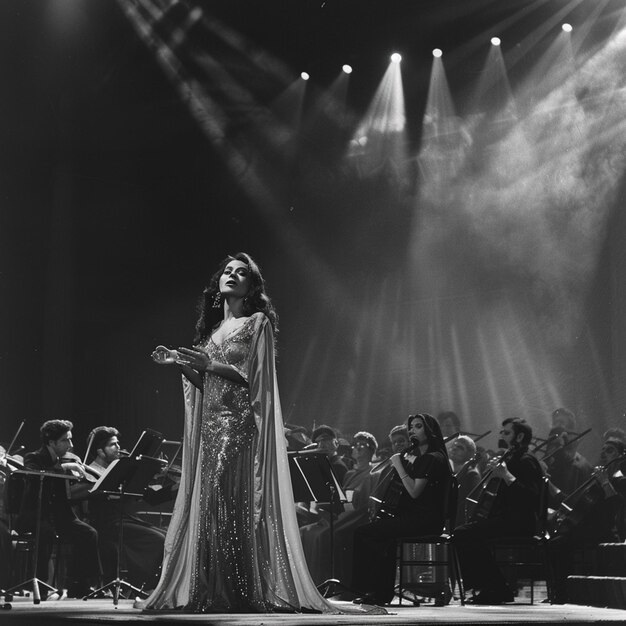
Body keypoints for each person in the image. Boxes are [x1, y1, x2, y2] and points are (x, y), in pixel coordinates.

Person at [140, 253, 382, 615]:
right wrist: (180, 363)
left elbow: (259, 380)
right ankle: (208, 588)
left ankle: (237, 589)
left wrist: (210, 364)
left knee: (233, 500)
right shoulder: (211, 333)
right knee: (209, 506)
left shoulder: (257, 323)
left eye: (242, 273)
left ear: (252, 287)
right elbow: (206, 385)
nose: (233, 275)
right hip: (211, 428)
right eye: (227, 271)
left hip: (240, 425)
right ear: (217, 284)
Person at [351, 413, 451, 605]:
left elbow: (414, 492)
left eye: (418, 426)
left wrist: (399, 465)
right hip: (418, 518)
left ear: (430, 431)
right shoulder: (424, 457)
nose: (413, 430)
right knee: (382, 535)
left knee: (364, 533)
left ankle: (369, 589)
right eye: (411, 427)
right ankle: (380, 592)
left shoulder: (432, 458)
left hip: (424, 521)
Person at [454, 417, 543, 604]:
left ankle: (495, 589)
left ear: (519, 437)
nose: (501, 435)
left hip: (521, 523)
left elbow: (531, 498)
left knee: (464, 534)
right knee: (466, 532)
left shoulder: (527, 461)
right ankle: (490, 587)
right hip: (507, 520)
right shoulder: (510, 458)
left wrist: (505, 475)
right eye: (502, 431)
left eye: (507, 432)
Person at [17, 420, 102, 598]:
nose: (70, 445)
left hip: (61, 516)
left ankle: (79, 584)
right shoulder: (33, 457)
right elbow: (34, 475)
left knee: (88, 533)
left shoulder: (63, 459)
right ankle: (41, 587)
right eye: (65, 440)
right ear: (51, 442)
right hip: (37, 515)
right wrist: (63, 467)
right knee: (45, 533)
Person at [86, 426, 166, 591]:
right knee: (158, 540)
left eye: (118, 443)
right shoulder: (90, 471)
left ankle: (152, 585)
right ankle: (143, 584)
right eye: (113, 445)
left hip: (125, 519)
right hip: (107, 522)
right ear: (100, 451)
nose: (119, 448)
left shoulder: (119, 469)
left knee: (167, 537)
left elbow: (143, 496)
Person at [299, 431, 378, 586]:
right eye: (355, 445)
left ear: (370, 450)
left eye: (362, 445)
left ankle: (328, 583)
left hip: (355, 517)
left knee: (324, 535)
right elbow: (340, 498)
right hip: (341, 515)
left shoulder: (374, 473)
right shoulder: (349, 474)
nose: (357, 448)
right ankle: (309, 585)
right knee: (304, 532)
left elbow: (364, 504)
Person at [449, 435, 481, 525]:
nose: (454, 448)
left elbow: (471, 507)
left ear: (470, 454)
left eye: (460, 447)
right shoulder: (452, 472)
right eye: (454, 446)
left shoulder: (472, 476)